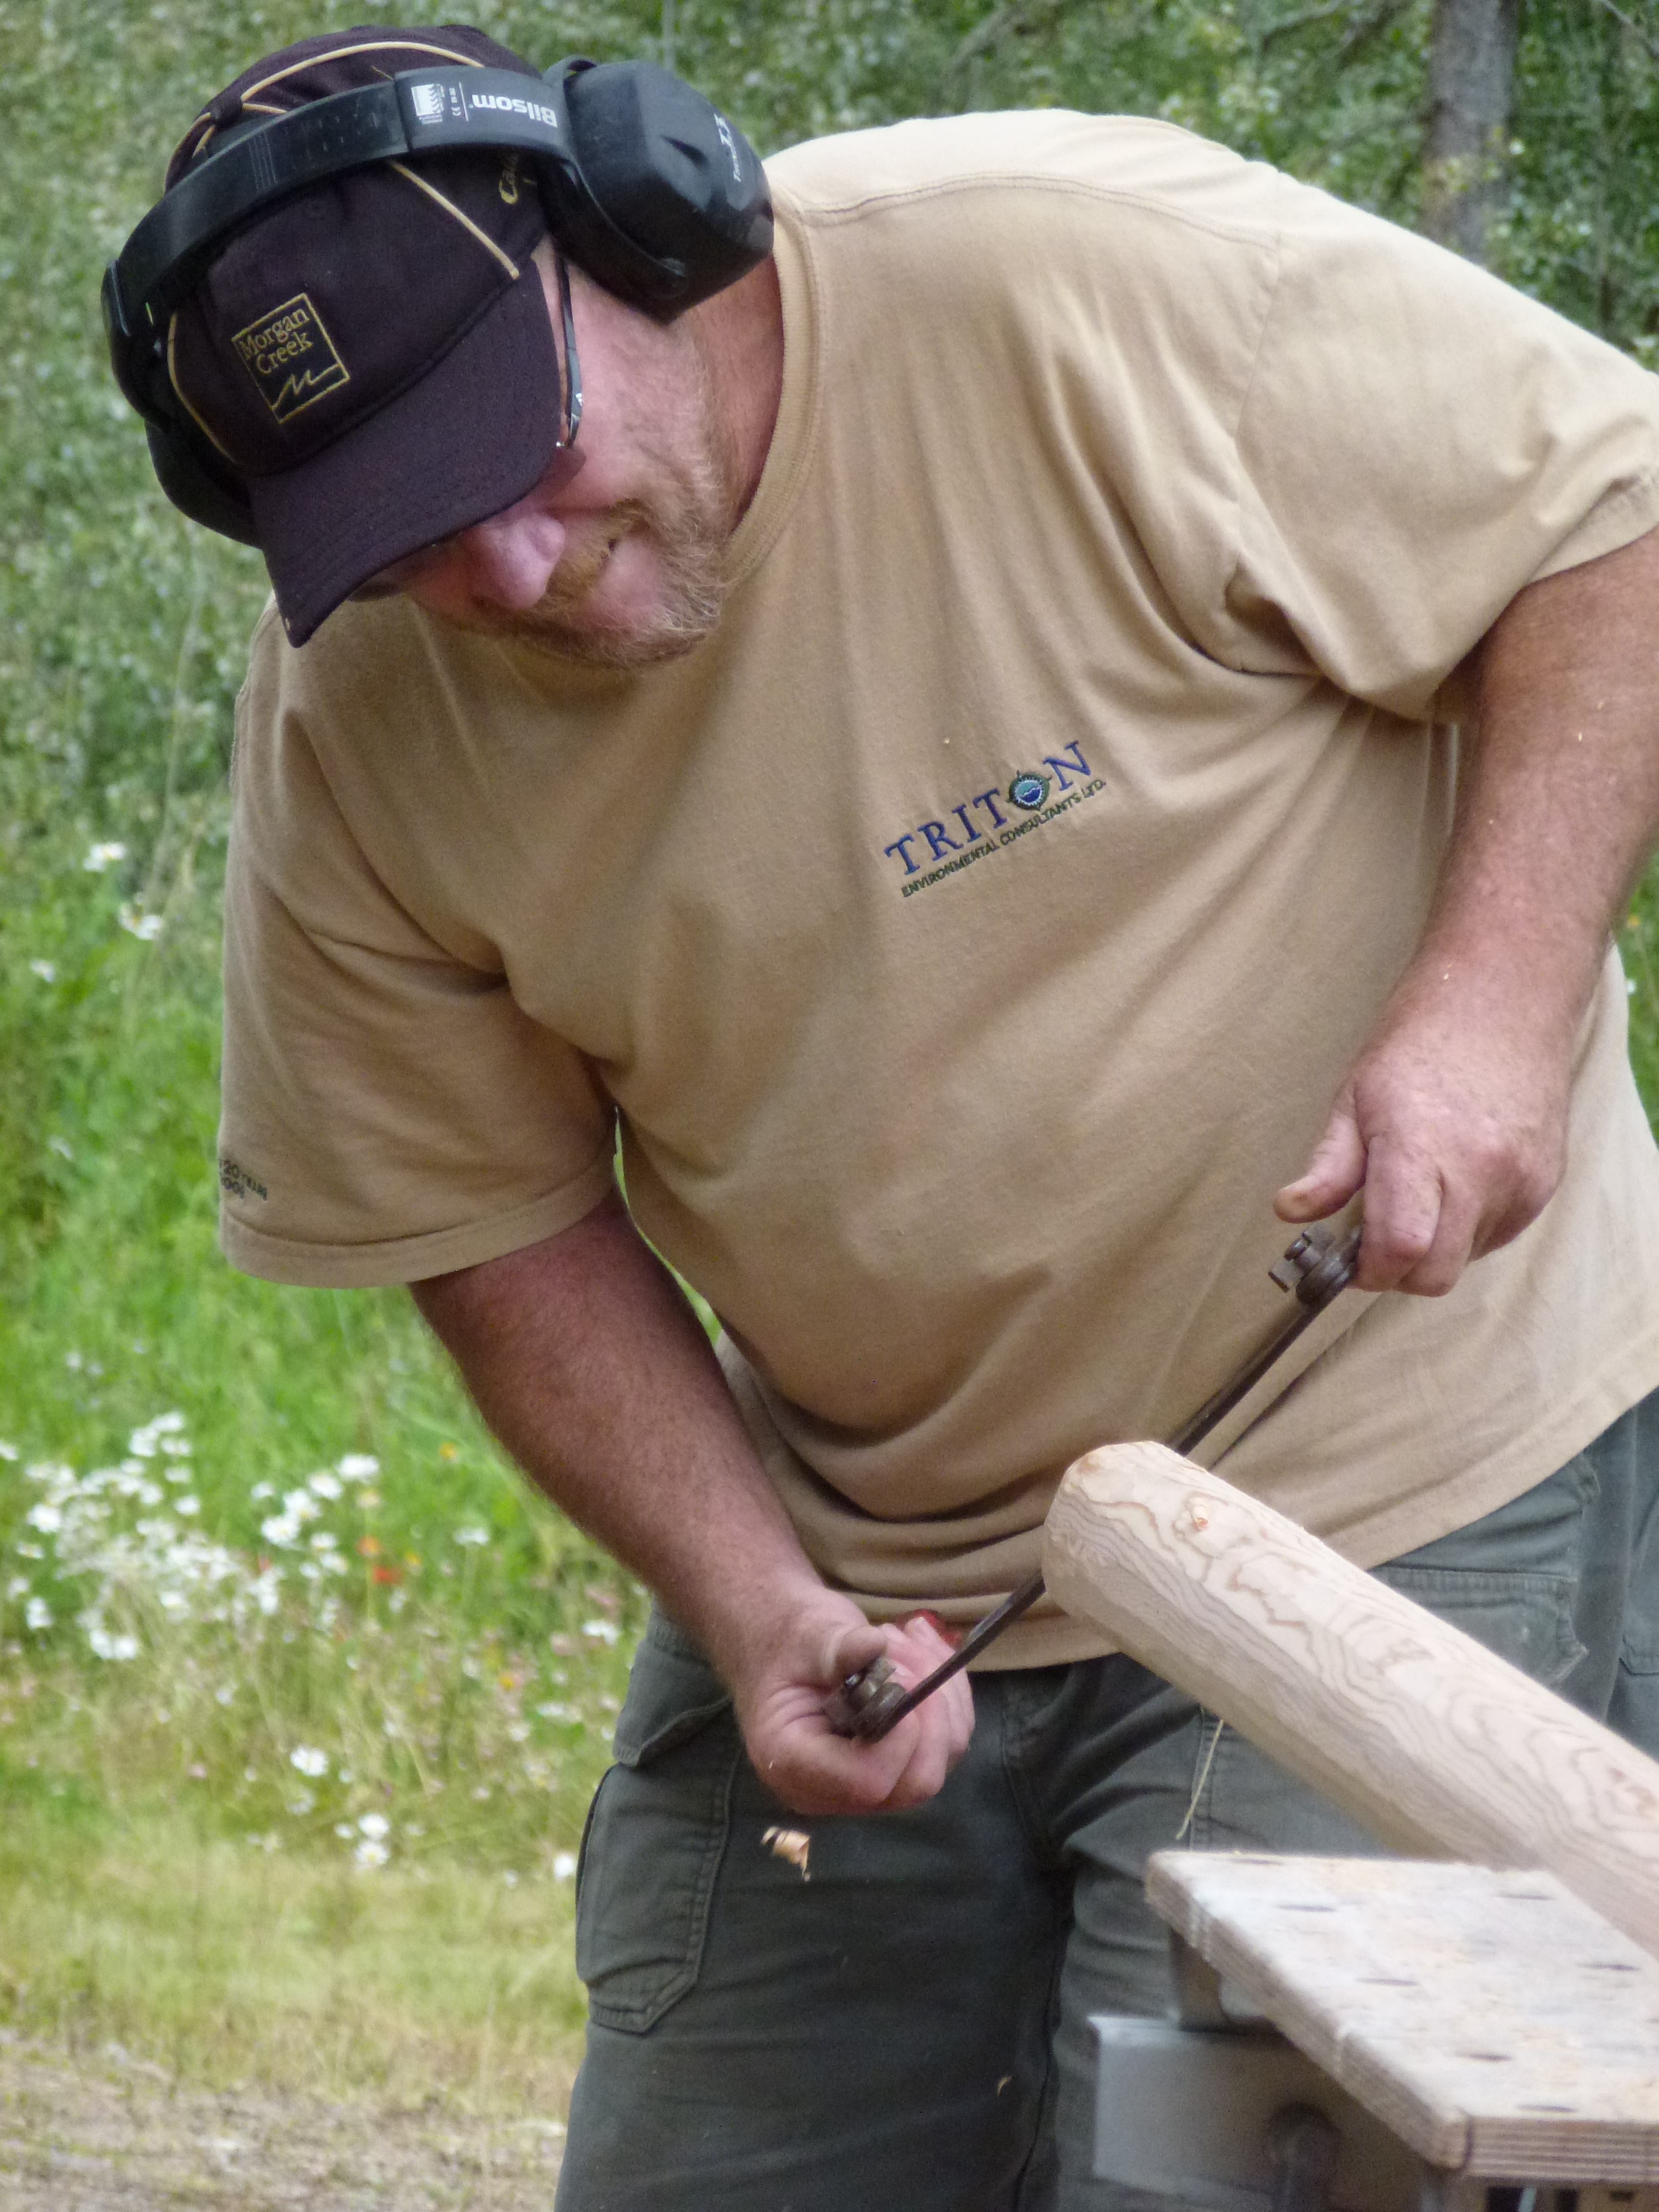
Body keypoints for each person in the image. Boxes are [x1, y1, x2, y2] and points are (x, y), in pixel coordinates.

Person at [133, 22, 1659, 2209]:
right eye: (407, 537)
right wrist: (753, 1598)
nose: (511, 573)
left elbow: (1611, 513)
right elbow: (485, 1215)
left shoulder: (1058, 281)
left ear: (643, 229)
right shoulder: (358, 710)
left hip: (1388, 1485)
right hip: (872, 1559)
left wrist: (1494, 1009)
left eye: (515, 453)